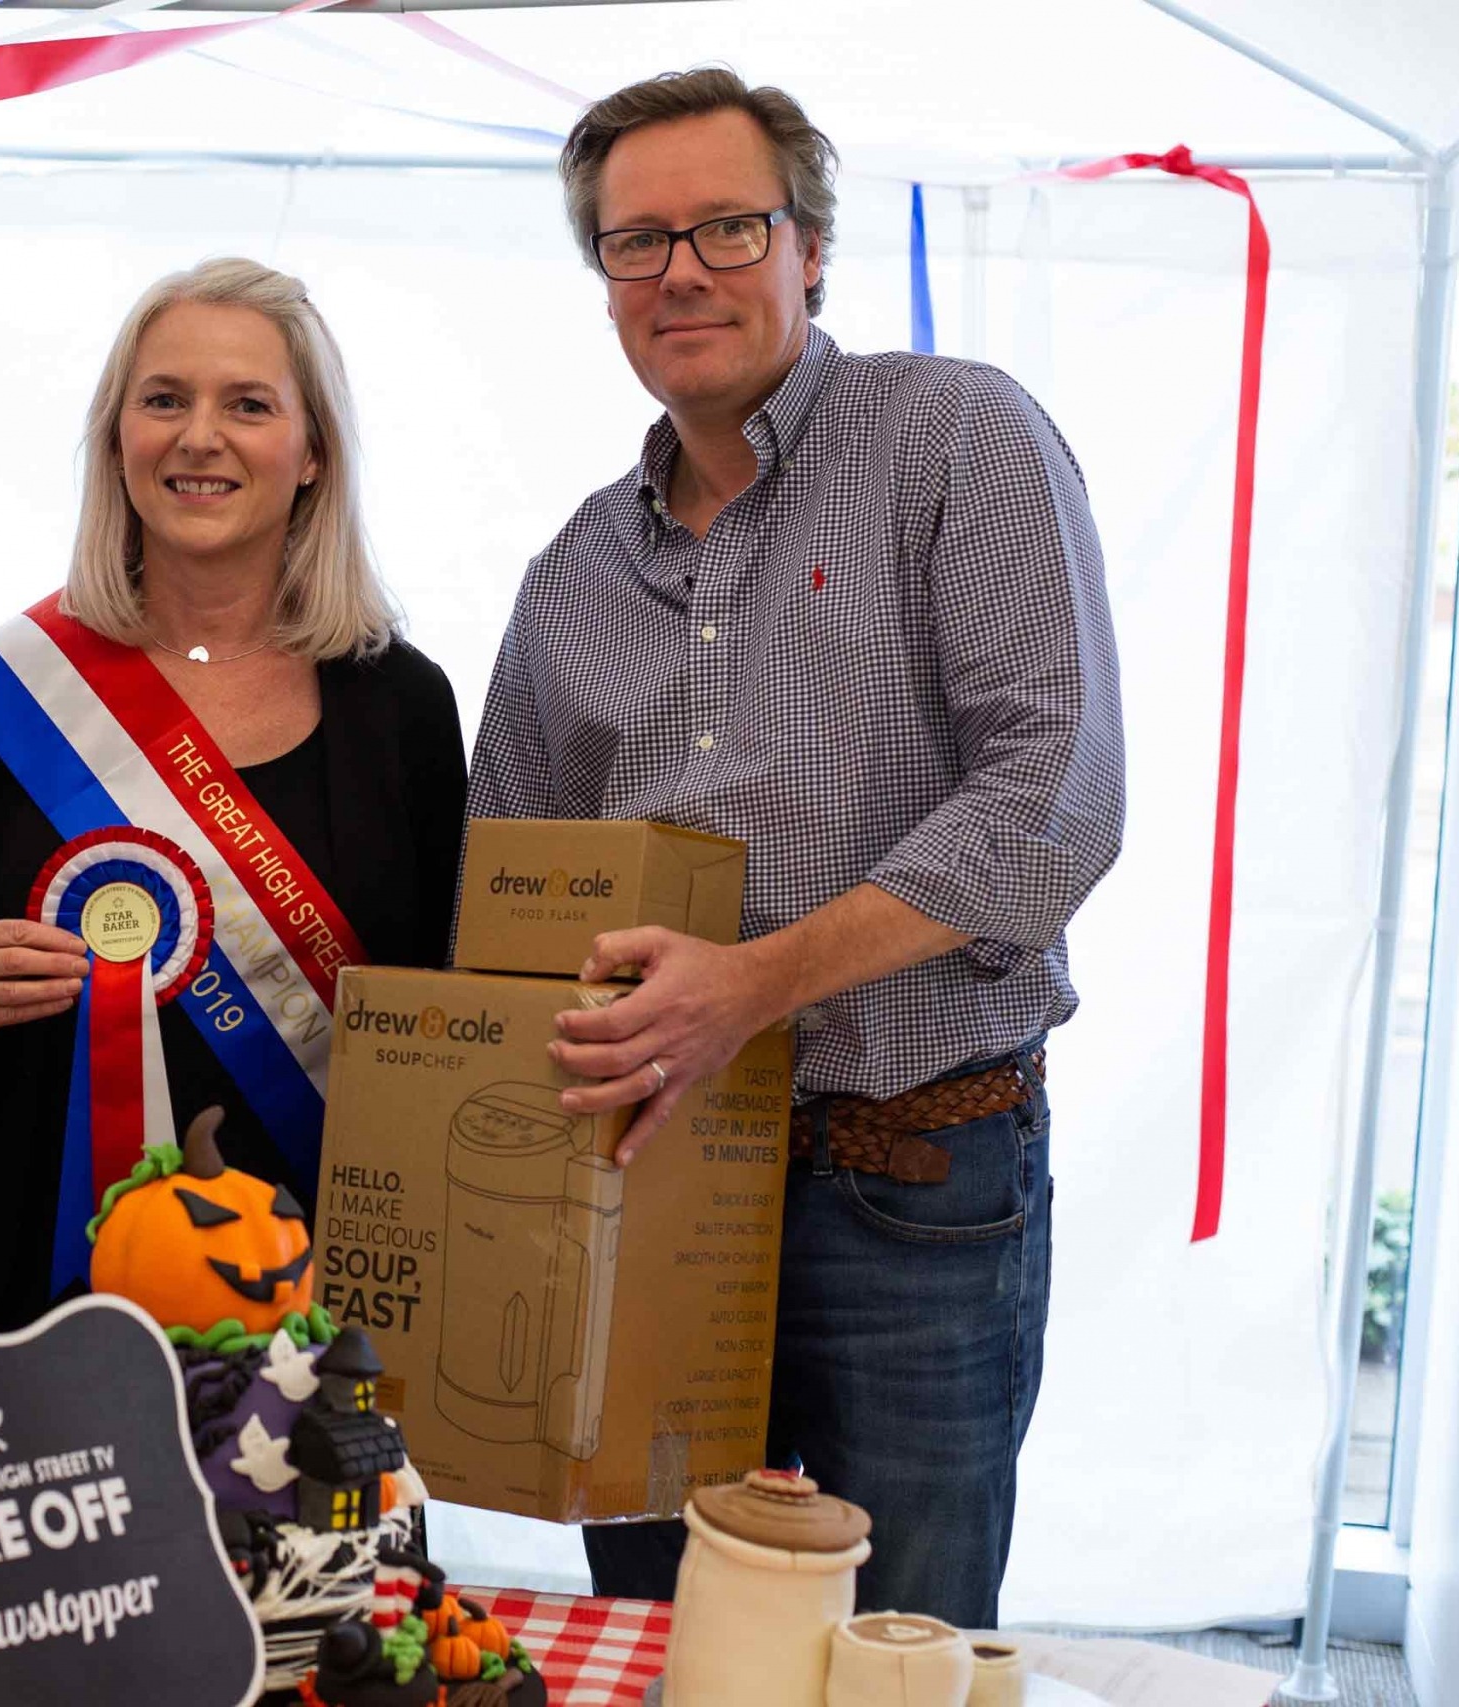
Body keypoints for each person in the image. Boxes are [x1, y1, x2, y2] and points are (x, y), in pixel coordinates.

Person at [468, 70, 1125, 1627]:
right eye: (637, 242)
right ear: (606, 281)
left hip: (914, 1176)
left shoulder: (955, 436)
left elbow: (1055, 792)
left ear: (811, 246)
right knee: (666, 1630)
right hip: (650, 1187)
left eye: (726, 226)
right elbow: (507, 884)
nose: (681, 269)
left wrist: (751, 983)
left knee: (903, 1638)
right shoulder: (571, 572)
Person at [0, 257, 465, 1339]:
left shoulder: (401, 703)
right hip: (28, 1299)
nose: (200, 436)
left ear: (311, 456)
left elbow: (448, 1011)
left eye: (248, 405)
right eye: (164, 400)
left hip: (313, 1307)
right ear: (118, 440)